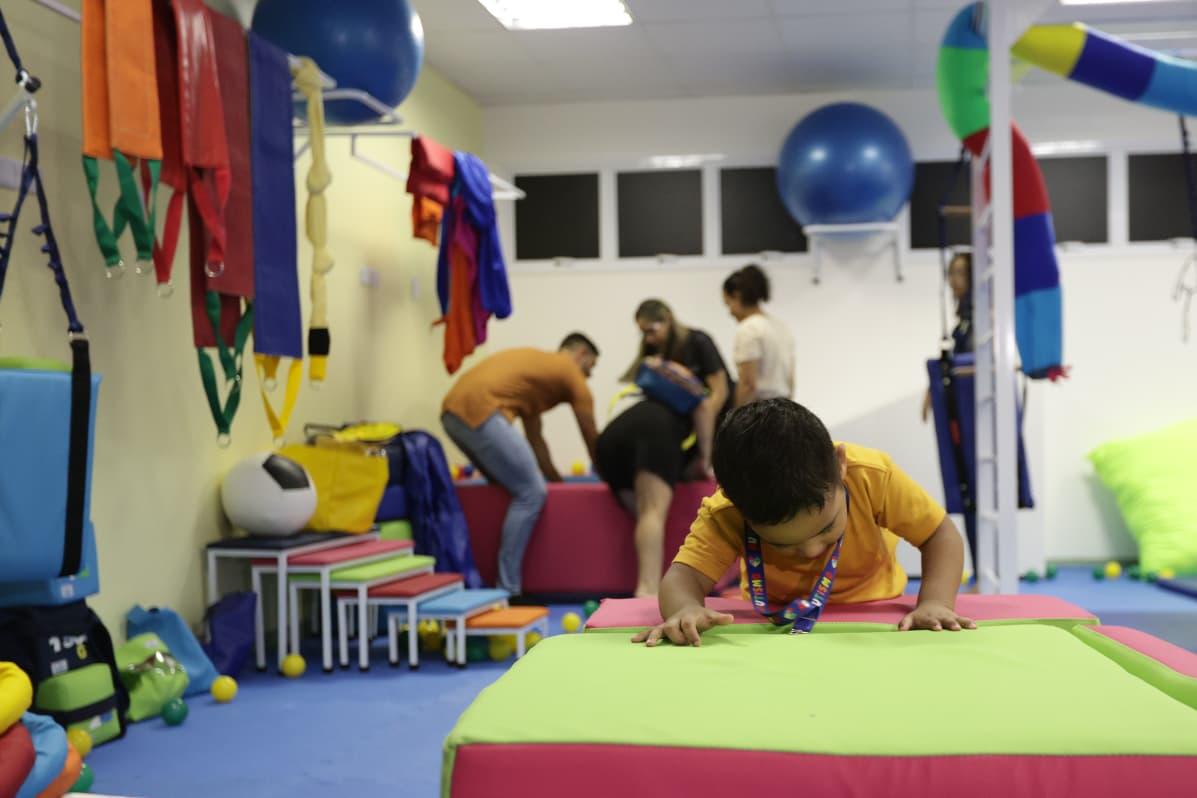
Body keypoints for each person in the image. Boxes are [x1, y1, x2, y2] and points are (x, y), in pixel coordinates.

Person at [633, 399, 975, 646]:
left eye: (826, 529)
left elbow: (939, 534)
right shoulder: (729, 509)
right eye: (783, 544)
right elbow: (684, 576)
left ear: (840, 465)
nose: (811, 550)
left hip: (876, 609)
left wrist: (936, 602)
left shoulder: (871, 476)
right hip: (777, 620)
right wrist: (684, 608)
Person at [441, 333, 600, 597]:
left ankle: (487, 584)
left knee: (510, 486)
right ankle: (508, 591)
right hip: (482, 410)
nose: (588, 377)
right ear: (580, 354)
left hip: (453, 414)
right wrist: (607, 476)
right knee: (531, 493)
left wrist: (558, 485)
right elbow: (592, 438)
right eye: (589, 368)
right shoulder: (568, 370)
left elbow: (536, 441)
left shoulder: (535, 379)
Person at [596, 300, 733, 598]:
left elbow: (716, 395)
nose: (648, 338)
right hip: (652, 433)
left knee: (645, 512)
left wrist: (706, 455)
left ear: (668, 320)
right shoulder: (672, 379)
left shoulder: (697, 343)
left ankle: (654, 580)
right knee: (652, 513)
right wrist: (706, 461)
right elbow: (702, 407)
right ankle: (646, 590)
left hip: (614, 436)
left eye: (652, 330)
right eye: (643, 332)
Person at [722, 264, 796, 406]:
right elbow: (791, 379)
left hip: (760, 410)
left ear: (736, 296)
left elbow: (748, 384)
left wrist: (736, 418)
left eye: (728, 304)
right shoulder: (780, 326)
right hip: (785, 405)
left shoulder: (748, 329)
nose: (730, 312)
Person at [922, 251, 973, 422]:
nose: (953, 280)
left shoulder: (981, 319)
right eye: (951, 273)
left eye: (960, 273)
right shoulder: (961, 326)